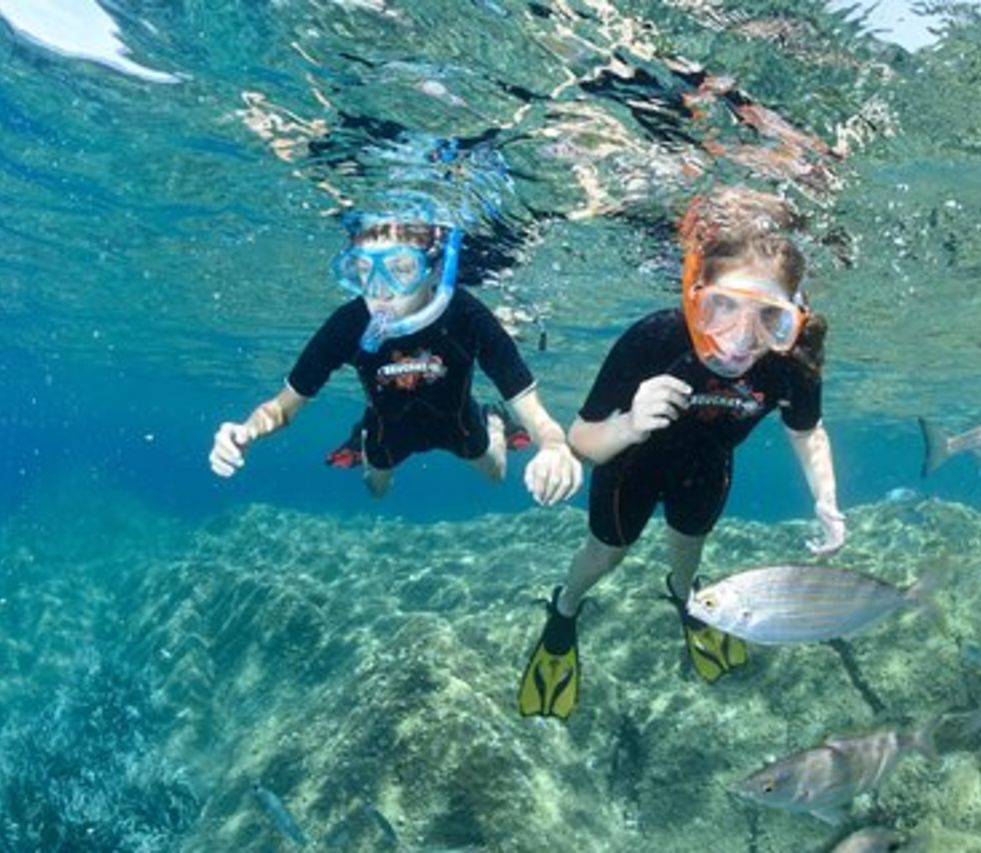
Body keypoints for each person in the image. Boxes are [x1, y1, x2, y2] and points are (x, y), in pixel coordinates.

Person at [517, 189, 846, 721]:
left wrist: (826, 499)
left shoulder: (792, 363)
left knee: (689, 547)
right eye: (723, 306)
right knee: (605, 555)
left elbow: (807, 432)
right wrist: (628, 424)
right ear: (696, 296)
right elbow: (581, 441)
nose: (741, 338)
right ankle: (565, 608)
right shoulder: (655, 339)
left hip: (708, 468)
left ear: (794, 319)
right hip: (630, 466)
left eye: (769, 318)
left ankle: (686, 598)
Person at [208, 209, 582, 507]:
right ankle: (364, 433)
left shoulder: (467, 317)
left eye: (401, 269)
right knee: (376, 490)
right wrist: (247, 430)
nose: (380, 291)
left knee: (497, 474)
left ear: (435, 269)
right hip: (388, 430)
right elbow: (282, 408)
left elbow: (535, 414)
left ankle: (494, 421)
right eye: (365, 271)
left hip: (459, 421)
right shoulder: (348, 324)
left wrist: (554, 446)